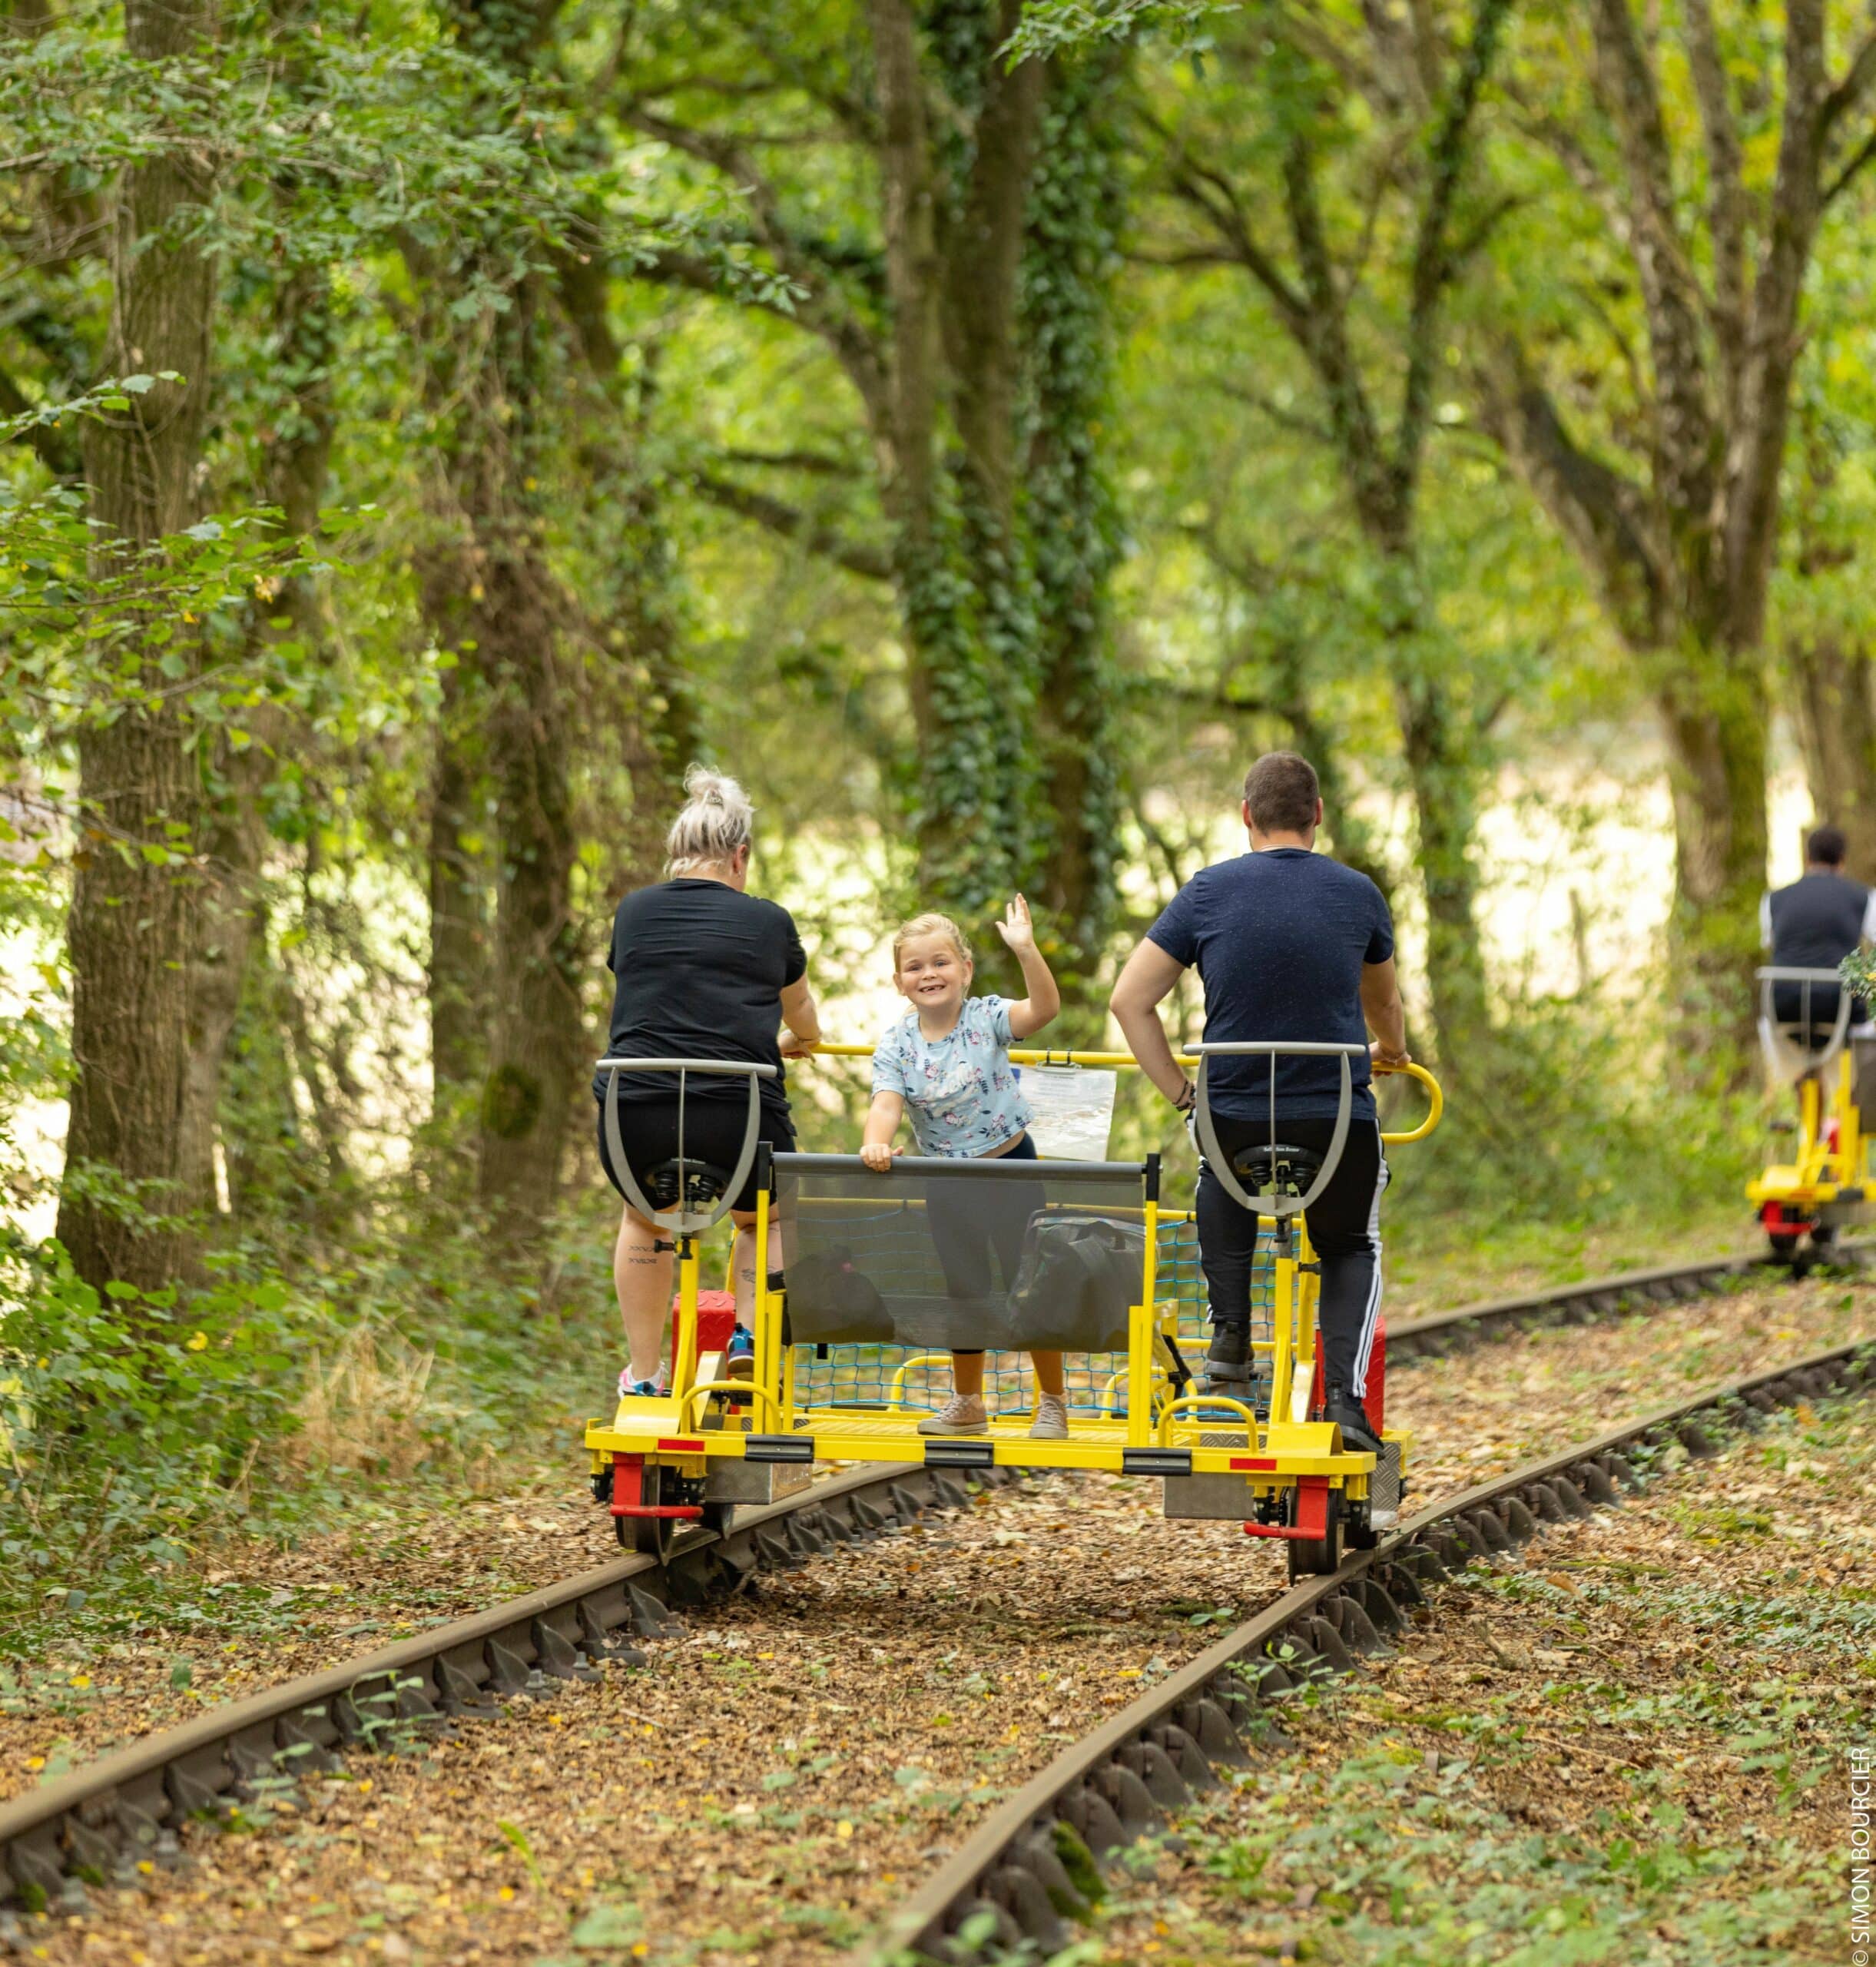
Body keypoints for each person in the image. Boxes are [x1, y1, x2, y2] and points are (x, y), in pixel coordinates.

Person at [1108, 751, 1407, 1456]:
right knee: (1349, 1243)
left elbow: (1129, 1001)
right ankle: (1343, 1402)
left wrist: (1185, 1096)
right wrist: (1391, 1050)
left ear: (1246, 816)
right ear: (1318, 816)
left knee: (1221, 1172)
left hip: (1233, 1112)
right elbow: (1383, 999)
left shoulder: (1207, 892)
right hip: (1333, 1113)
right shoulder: (1358, 892)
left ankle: (1230, 1350)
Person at [596, 766, 821, 1398]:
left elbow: (666, 1000)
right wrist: (797, 1040)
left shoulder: (633, 911)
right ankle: (747, 1340)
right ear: (740, 856)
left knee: (647, 1220)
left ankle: (644, 1376)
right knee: (768, 1217)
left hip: (633, 1110)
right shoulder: (770, 922)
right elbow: (801, 1017)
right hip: (736, 1115)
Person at [860, 899, 1067, 1440]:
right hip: (949, 1181)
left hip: (1011, 1170)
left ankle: (1052, 1401)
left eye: (941, 962)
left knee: (1031, 1285)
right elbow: (885, 1103)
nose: (929, 974)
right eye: (915, 966)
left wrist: (1025, 950)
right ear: (900, 981)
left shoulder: (987, 1018)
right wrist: (876, 1145)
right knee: (964, 1288)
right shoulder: (897, 1044)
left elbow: (1043, 1009)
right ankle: (969, 1402)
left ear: (965, 970)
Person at [1762, 824, 1876, 1123]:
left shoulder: (1774, 899)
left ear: (1807, 857)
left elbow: (1771, 943)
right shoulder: (1863, 897)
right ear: (1842, 859)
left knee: (1805, 1052)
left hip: (1782, 1004)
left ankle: (1812, 1130)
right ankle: (1851, 1119)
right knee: (1865, 1033)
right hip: (1839, 1002)